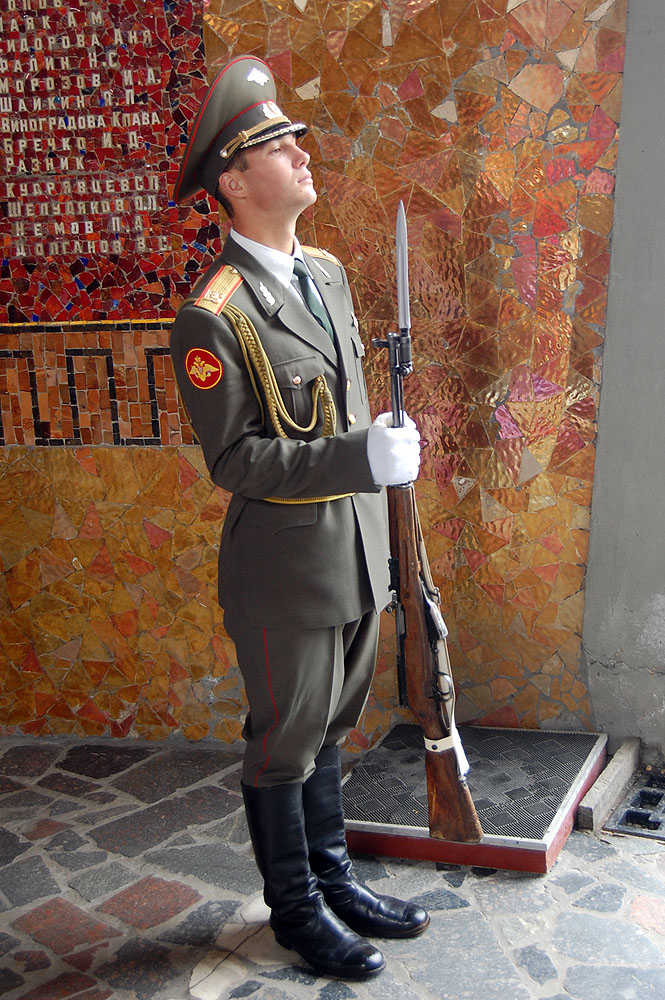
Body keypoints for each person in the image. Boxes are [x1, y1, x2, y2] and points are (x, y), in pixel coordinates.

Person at [170, 54, 428, 980]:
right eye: (278, 147)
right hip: (285, 570)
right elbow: (235, 460)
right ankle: (295, 909)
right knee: (284, 743)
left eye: (295, 141)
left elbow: (342, 409)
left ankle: (333, 880)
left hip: (355, 550)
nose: (301, 154)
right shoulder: (213, 317)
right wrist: (360, 456)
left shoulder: (325, 273)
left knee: (330, 729)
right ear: (235, 182)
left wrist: (380, 448)